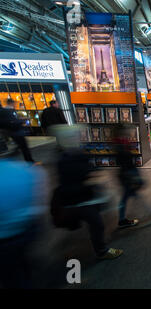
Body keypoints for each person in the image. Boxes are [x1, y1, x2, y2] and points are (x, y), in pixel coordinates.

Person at [50, 125, 123, 259]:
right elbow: (81, 176)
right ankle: (101, 250)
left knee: (95, 221)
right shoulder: (69, 157)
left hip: (78, 197)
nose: (77, 138)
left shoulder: (70, 155)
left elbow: (85, 172)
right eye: (73, 136)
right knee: (97, 223)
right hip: (79, 198)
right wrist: (94, 179)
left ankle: (95, 245)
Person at [0, 143, 45, 288]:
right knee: (19, 268)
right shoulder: (28, 171)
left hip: (5, 238)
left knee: (12, 275)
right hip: (25, 231)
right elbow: (39, 204)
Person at [0, 98, 35, 163]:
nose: (15, 104)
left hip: (12, 131)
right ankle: (29, 161)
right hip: (16, 131)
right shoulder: (7, 110)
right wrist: (22, 121)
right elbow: (12, 121)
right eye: (14, 103)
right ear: (11, 103)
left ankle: (28, 160)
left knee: (21, 146)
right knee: (24, 146)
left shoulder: (6, 110)